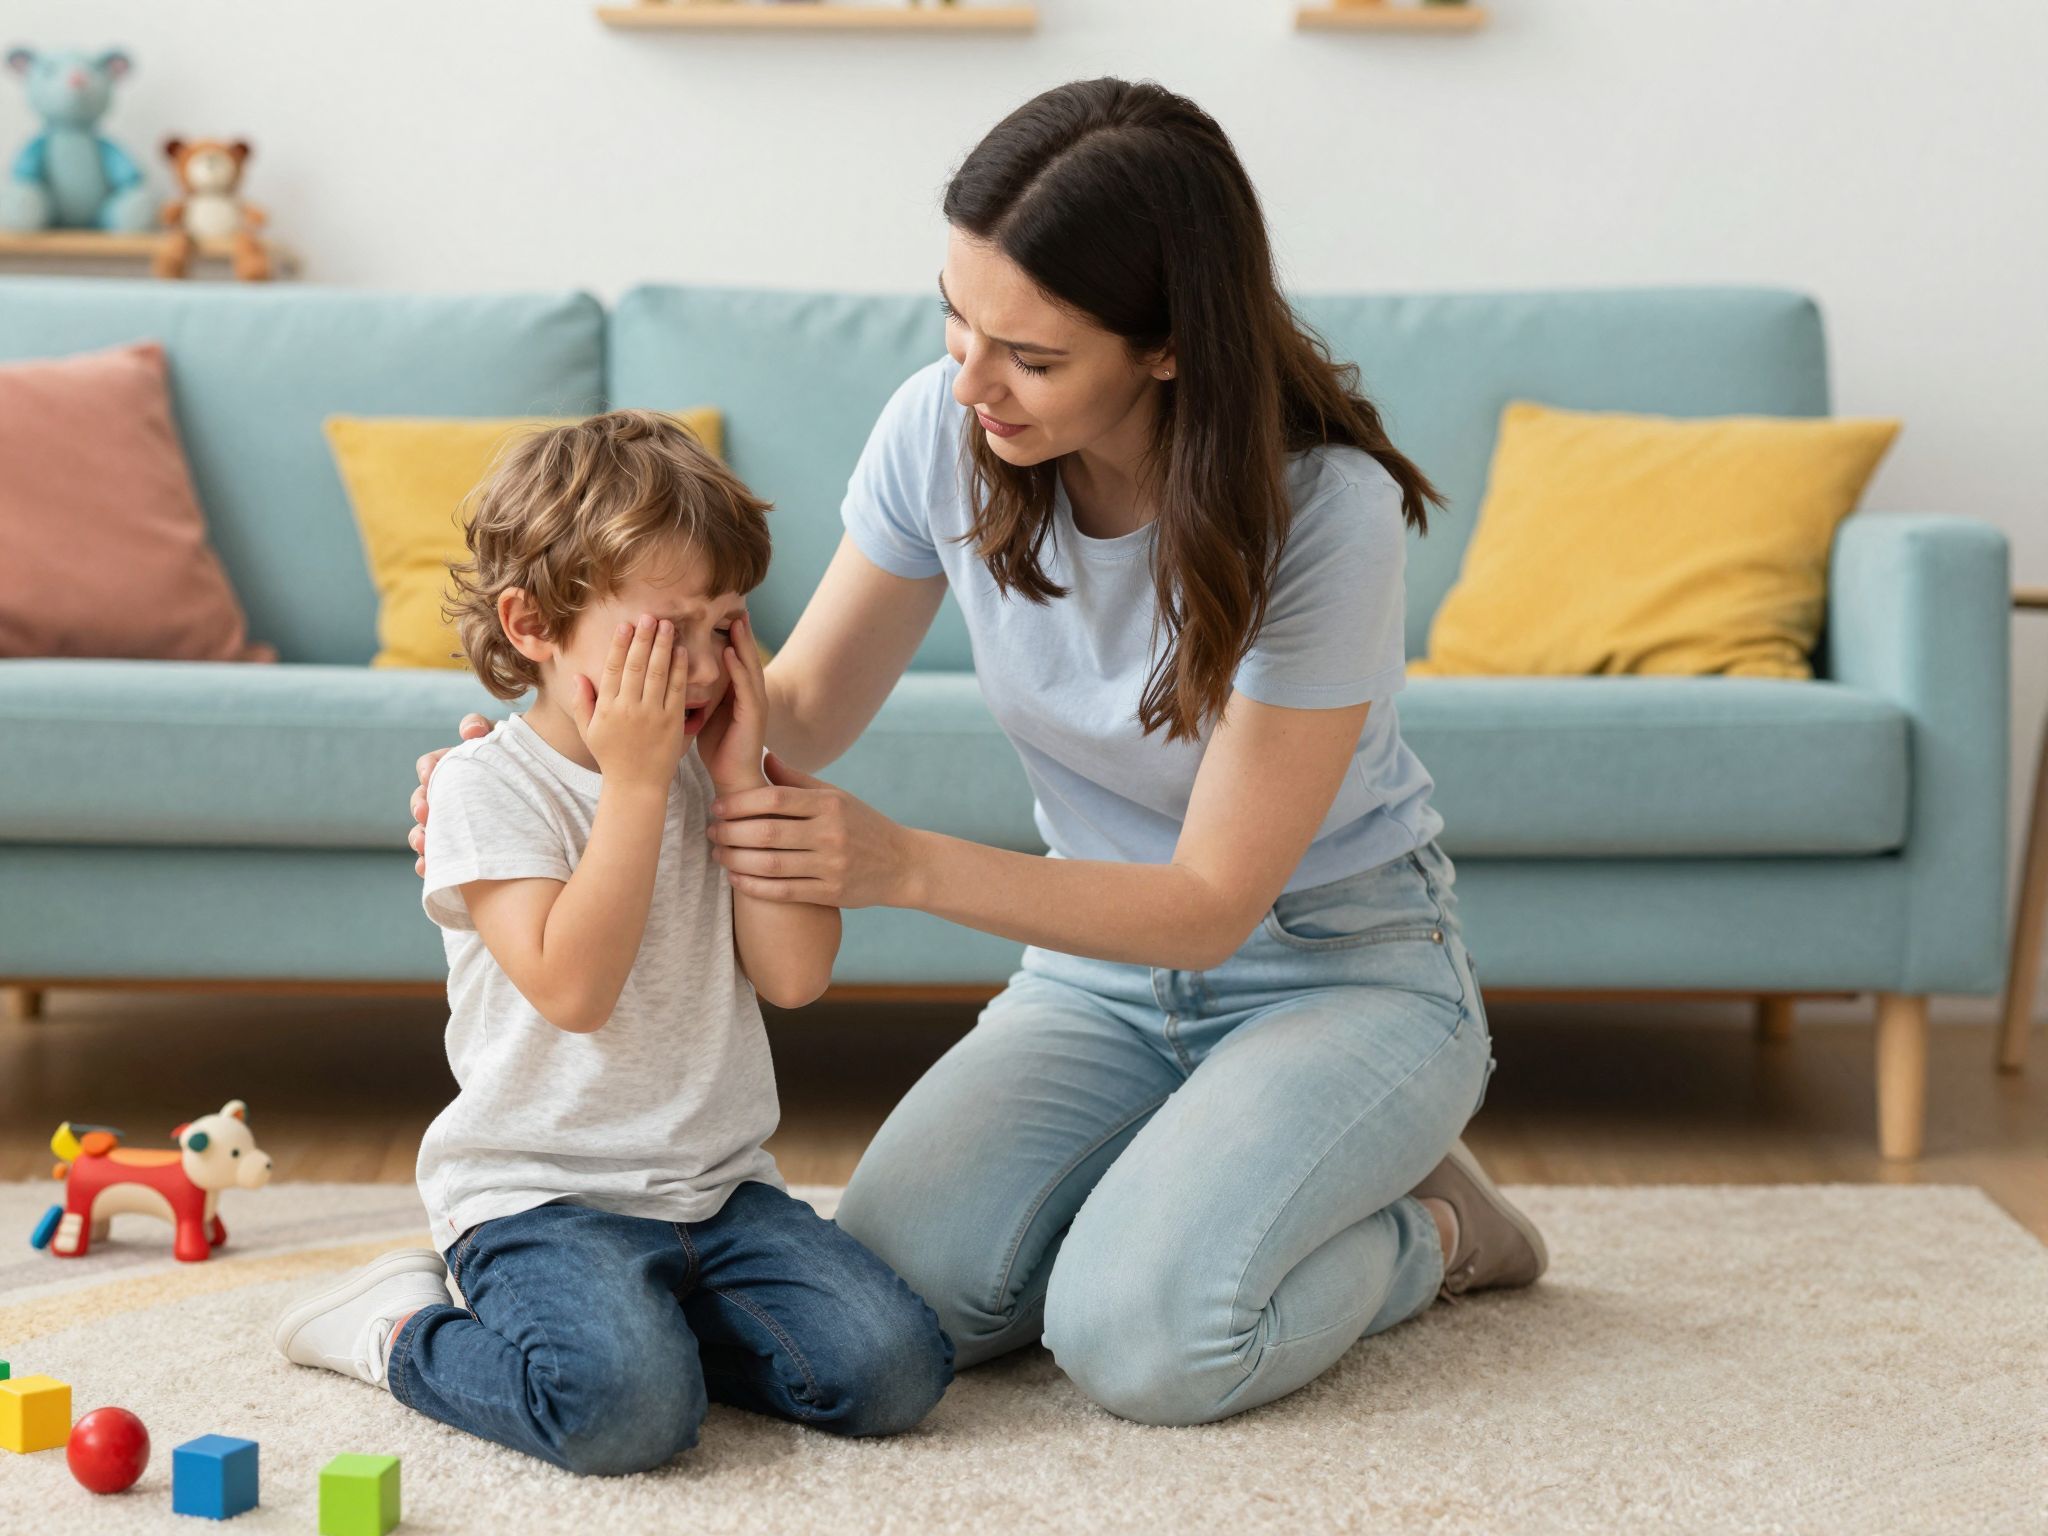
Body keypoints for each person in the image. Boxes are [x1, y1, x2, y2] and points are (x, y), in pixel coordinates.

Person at [415, 79, 1547, 1430]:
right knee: (910, 1301)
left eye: (1032, 354)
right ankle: (1203, 1183)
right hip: (1099, 979)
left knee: (1144, 1342)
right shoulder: (944, 433)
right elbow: (806, 707)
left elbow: (1208, 905)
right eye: (956, 316)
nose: (971, 378)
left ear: (1170, 346)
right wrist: (554, 766)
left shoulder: (1326, 514)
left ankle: (1429, 1225)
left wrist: (899, 864)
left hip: (1335, 966)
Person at [279, 412, 952, 1474]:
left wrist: (738, 780)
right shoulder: (483, 787)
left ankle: (657, 1342)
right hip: (540, 1199)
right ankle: (396, 1330)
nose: (697, 668)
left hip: (722, 1192)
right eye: (662, 631)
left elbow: (795, 976)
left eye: (724, 625)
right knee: (621, 1417)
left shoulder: (721, 764)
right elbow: (573, 990)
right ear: (532, 623)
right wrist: (637, 787)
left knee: (894, 1372)